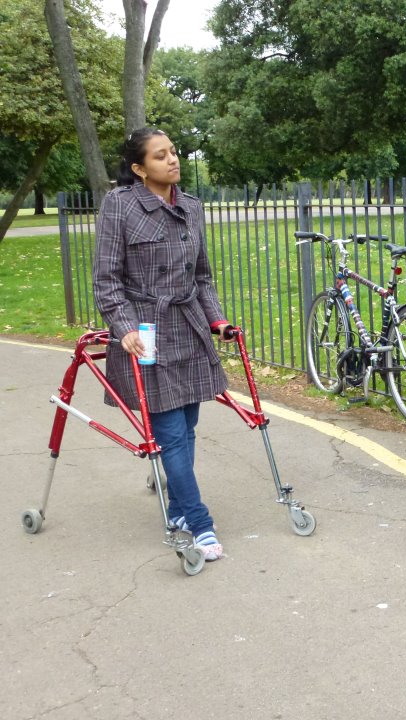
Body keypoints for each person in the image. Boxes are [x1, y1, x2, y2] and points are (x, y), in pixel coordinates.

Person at [93, 127, 233, 562]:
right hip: (145, 335)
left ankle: (177, 511)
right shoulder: (119, 206)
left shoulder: (191, 207)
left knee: (187, 425)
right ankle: (200, 524)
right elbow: (106, 280)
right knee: (171, 434)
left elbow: (202, 276)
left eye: (173, 152)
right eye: (160, 156)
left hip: (188, 328)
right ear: (138, 168)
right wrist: (125, 327)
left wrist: (217, 319)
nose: (172, 160)